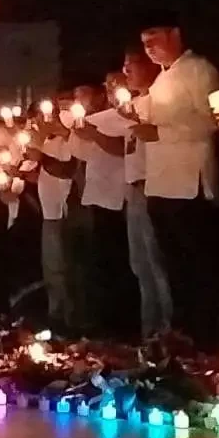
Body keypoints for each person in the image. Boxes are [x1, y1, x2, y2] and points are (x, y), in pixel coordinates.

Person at [132, 16, 219, 345]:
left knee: (194, 269)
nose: (150, 48)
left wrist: (161, 132)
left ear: (176, 34)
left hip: (189, 185)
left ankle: (203, 339)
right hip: (160, 184)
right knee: (173, 269)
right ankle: (180, 336)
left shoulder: (201, 70)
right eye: (144, 43)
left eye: (154, 38)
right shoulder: (160, 80)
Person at [70, 83, 139, 339]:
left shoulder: (128, 117)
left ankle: (123, 324)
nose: (112, 90)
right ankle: (103, 321)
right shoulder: (97, 119)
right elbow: (81, 153)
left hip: (118, 199)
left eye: (116, 84)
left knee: (121, 263)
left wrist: (94, 134)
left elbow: (122, 149)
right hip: (98, 197)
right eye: (108, 85)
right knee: (100, 263)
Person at [117, 50, 173, 338]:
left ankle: (168, 332)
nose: (126, 70)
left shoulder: (158, 100)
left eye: (132, 64)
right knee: (139, 264)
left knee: (157, 263)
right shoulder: (132, 106)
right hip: (133, 189)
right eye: (124, 65)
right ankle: (148, 332)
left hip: (152, 185)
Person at [28, 102, 77, 330]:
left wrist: (42, 158)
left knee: (62, 268)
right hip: (48, 213)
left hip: (61, 212)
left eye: (40, 118)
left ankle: (68, 319)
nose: (36, 123)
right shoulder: (45, 141)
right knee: (50, 270)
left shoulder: (66, 140)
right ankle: (55, 316)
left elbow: (66, 170)